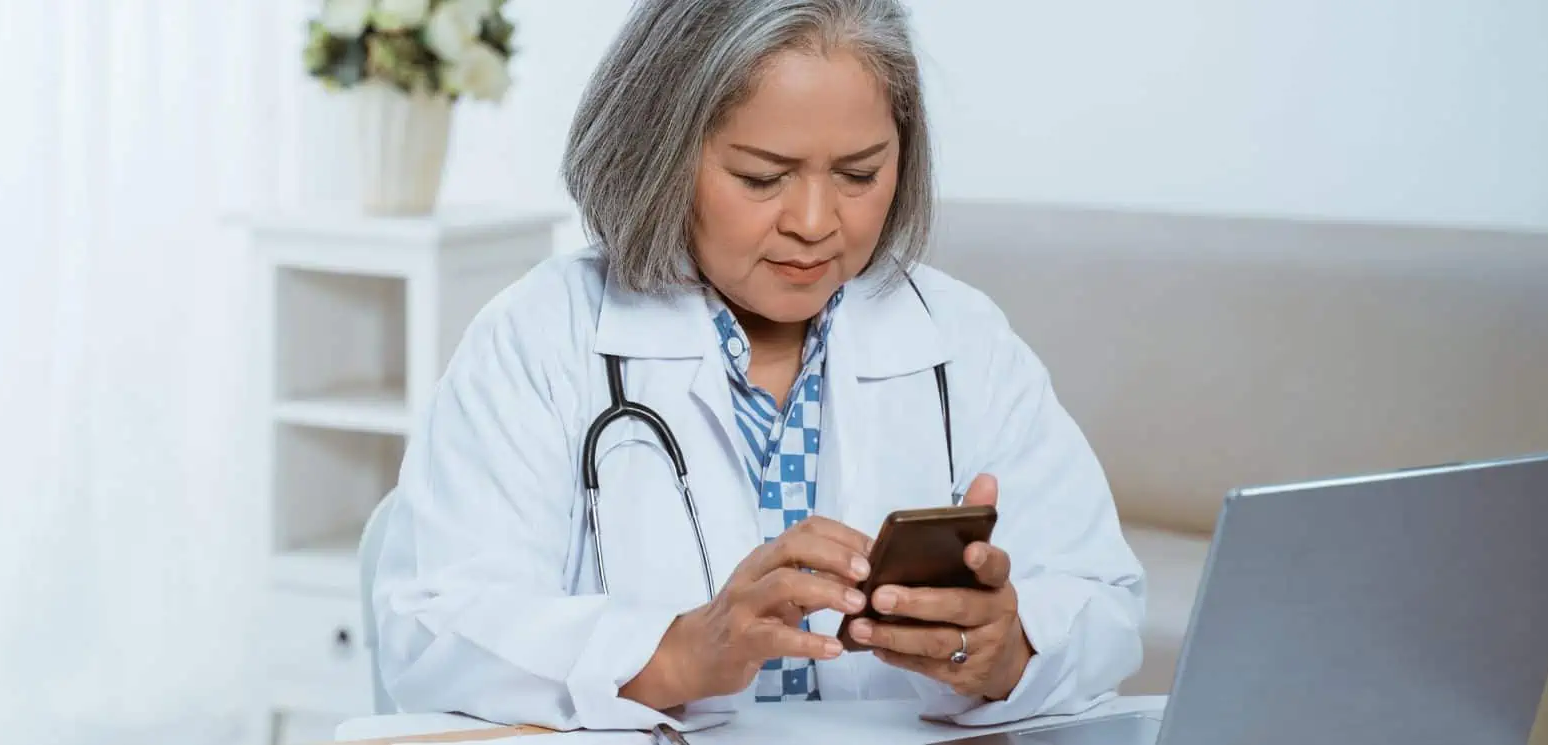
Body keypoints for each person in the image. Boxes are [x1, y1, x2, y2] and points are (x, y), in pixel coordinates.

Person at [370, 0, 1143, 732]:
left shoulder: (962, 340)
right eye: (762, 177)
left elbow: (1106, 606)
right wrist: (674, 652)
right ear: (659, 155)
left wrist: (1011, 649)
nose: (814, 223)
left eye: (859, 173)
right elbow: (431, 629)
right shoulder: (540, 337)